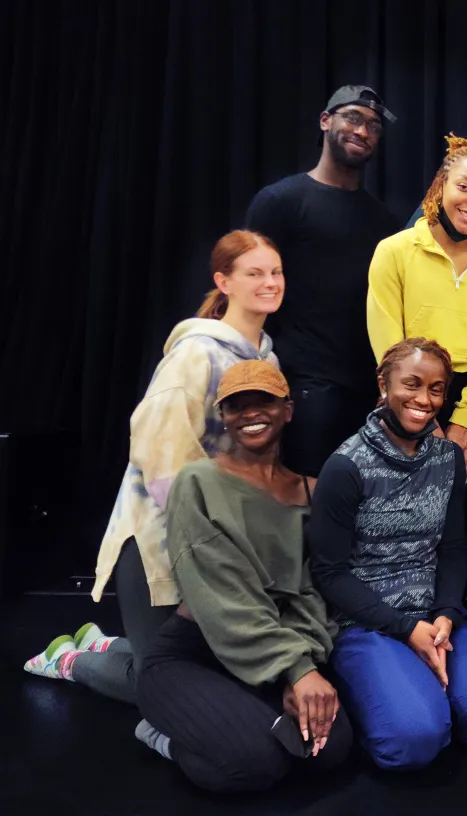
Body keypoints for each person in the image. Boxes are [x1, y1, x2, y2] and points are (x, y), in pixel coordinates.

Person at [25, 231, 283, 706]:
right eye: (255, 273)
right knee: (161, 689)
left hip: (222, 546)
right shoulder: (196, 354)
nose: (270, 282)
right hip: (161, 545)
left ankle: (103, 643)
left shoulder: (266, 359)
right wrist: (209, 545)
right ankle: (70, 660)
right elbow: (160, 460)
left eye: (275, 272)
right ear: (223, 282)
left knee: (214, 674)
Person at [307, 338, 467, 770]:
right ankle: (397, 697)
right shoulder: (345, 466)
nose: (424, 400)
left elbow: (453, 548)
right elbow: (329, 573)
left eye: (436, 389)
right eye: (411, 384)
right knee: (413, 741)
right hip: (367, 621)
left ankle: (428, 696)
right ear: (383, 384)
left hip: (436, 616)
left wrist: (446, 612)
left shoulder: (448, 458)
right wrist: (405, 629)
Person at [134, 360, 353, 792]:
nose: (251, 413)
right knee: (257, 761)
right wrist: (294, 670)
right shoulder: (198, 482)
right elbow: (222, 596)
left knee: (330, 750)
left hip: (272, 653)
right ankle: (158, 735)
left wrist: (301, 666)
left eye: (263, 402)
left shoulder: (312, 490)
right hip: (196, 653)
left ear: (288, 409)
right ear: (225, 417)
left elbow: (311, 591)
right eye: (237, 406)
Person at [243, 85, 398, 477]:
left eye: (374, 126)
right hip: (302, 387)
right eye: (353, 118)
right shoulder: (280, 202)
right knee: (300, 505)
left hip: (366, 393)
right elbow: (248, 294)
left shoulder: (384, 223)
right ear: (326, 121)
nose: (362, 131)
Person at [366, 135, 467, 475]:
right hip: (404, 394)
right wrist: (419, 411)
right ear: (440, 187)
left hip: (464, 402)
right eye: (464, 187)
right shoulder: (394, 251)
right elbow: (389, 345)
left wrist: (464, 418)